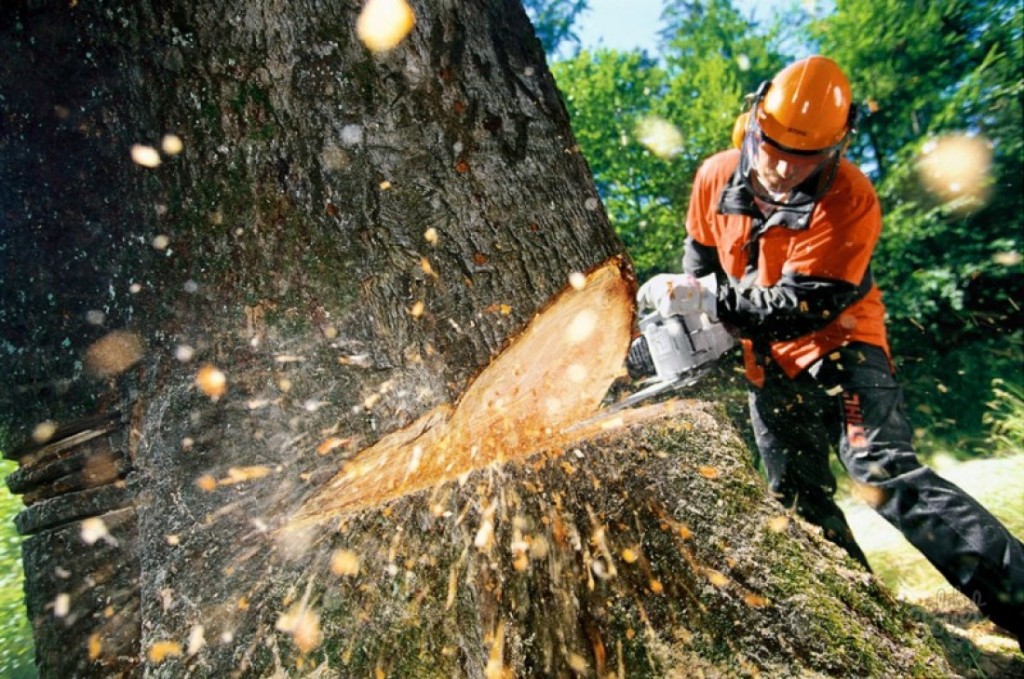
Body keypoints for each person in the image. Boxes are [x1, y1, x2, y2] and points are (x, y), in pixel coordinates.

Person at [636, 55, 1023, 641]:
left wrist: (710, 301)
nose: (781, 168)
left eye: (803, 158)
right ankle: (872, 634)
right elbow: (701, 262)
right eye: (772, 148)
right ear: (755, 122)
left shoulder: (849, 197)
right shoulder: (715, 177)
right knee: (796, 498)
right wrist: (687, 303)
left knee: (883, 472)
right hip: (764, 364)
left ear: (834, 147)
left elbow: (800, 307)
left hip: (843, 348)